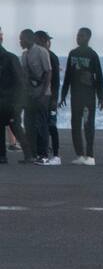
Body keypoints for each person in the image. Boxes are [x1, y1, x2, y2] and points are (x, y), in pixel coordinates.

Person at [61, 27, 103, 166]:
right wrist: (63, 95)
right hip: (75, 97)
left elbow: (99, 78)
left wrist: (101, 97)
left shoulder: (93, 55)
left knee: (88, 125)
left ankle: (90, 156)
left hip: (88, 98)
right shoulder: (72, 53)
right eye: (78, 35)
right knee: (75, 125)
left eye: (82, 36)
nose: (78, 38)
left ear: (88, 38)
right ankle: (79, 154)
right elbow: (68, 75)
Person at [20, 28, 54, 165]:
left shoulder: (41, 52)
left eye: (21, 39)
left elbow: (48, 73)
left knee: (41, 125)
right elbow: (24, 75)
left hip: (42, 94)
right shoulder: (24, 55)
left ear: (29, 39)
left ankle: (43, 154)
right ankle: (31, 154)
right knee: (28, 124)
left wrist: (42, 92)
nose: (20, 42)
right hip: (29, 94)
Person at [0, 26, 29, 164]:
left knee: (15, 127)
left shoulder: (10, 58)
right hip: (7, 101)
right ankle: (3, 156)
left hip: (10, 101)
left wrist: (19, 103)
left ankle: (28, 155)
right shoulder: (11, 58)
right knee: (14, 127)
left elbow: (20, 81)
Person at [36, 31, 61, 163]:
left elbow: (56, 81)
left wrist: (54, 99)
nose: (48, 43)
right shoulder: (37, 56)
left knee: (51, 125)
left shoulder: (52, 57)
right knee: (40, 126)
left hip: (50, 97)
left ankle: (56, 155)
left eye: (48, 40)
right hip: (40, 98)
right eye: (46, 40)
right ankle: (42, 151)